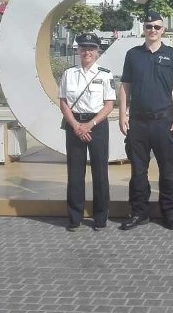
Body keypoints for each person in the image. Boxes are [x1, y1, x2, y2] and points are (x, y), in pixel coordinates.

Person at [118, 11, 173, 231]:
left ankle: (170, 213)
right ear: (144, 29)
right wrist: (122, 115)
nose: (153, 30)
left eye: (157, 27)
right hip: (138, 122)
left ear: (163, 30)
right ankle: (139, 213)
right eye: (149, 26)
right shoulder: (133, 55)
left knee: (167, 170)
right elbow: (125, 86)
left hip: (164, 121)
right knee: (138, 172)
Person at [58, 33, 116, 232]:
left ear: (97, 51)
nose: (87, 52)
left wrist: (89, 125)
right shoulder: (69, 74)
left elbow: (109, 105)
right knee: (75, 173)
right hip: (74, 124)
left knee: (100, 173)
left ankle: (100, 217)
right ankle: (74, 217)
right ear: (78, 50)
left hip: (97, 125)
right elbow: (63, 102)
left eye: (91, 48)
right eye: (83, 48)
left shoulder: (105, 74)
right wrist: (75, 125)